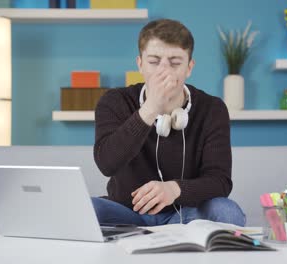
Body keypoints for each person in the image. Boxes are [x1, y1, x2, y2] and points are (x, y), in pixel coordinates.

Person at [92, 19, 246, 227]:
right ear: (140, 64)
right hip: (127, 214)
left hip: (185, 215)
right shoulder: (114, 101)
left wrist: (174, 189)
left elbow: (220, 182)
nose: (163, 72)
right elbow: (106, 163)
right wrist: (151, 108)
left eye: (175, 63)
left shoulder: (212, 109)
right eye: (154, 62)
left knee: (228, 212)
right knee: (84, 209)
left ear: (189, 67)